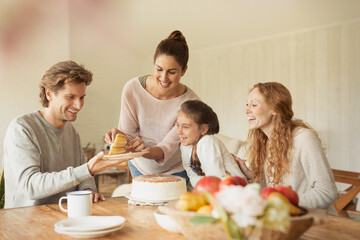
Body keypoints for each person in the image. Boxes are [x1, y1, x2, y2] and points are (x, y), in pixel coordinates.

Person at [4, 60, 129, 208]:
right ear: (49, 94)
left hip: (63, 216)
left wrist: (88, 190)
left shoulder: (71, 132)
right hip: (26, 224)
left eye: (82, 97)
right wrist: (87, 169)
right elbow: (30, 186)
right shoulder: (22, 128)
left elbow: (83, 176)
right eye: (70, 97)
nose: (78, 105)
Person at [104, 30, 199, 183]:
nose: (163, 78)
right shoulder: (133, 89)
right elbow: (128, 136)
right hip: (138, 166)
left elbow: (166, 148)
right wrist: (118, 136)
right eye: (159, 69)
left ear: (184, 70)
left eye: (172, 72)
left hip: (176, 170)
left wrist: (144, 150)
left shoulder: (191, 104)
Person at [237, 82, 337, 209]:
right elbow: (271, 191)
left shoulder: (303, 138)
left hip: (310, 220)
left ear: (275, 109)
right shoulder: (266, 141)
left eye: (254, 105)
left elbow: (327, 192)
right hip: (284, 218)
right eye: (247, 104)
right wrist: (249, 175)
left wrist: (282, 203)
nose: (247, 111)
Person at [177, 100, 247, 187]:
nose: (179, 132)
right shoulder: (186, 146)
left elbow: (215, 179)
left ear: (203, 129)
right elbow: (192, 176)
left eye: (185, 127)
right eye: (178, 125)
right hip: (212, 188)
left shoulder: (207, 142)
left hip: (236, 189)